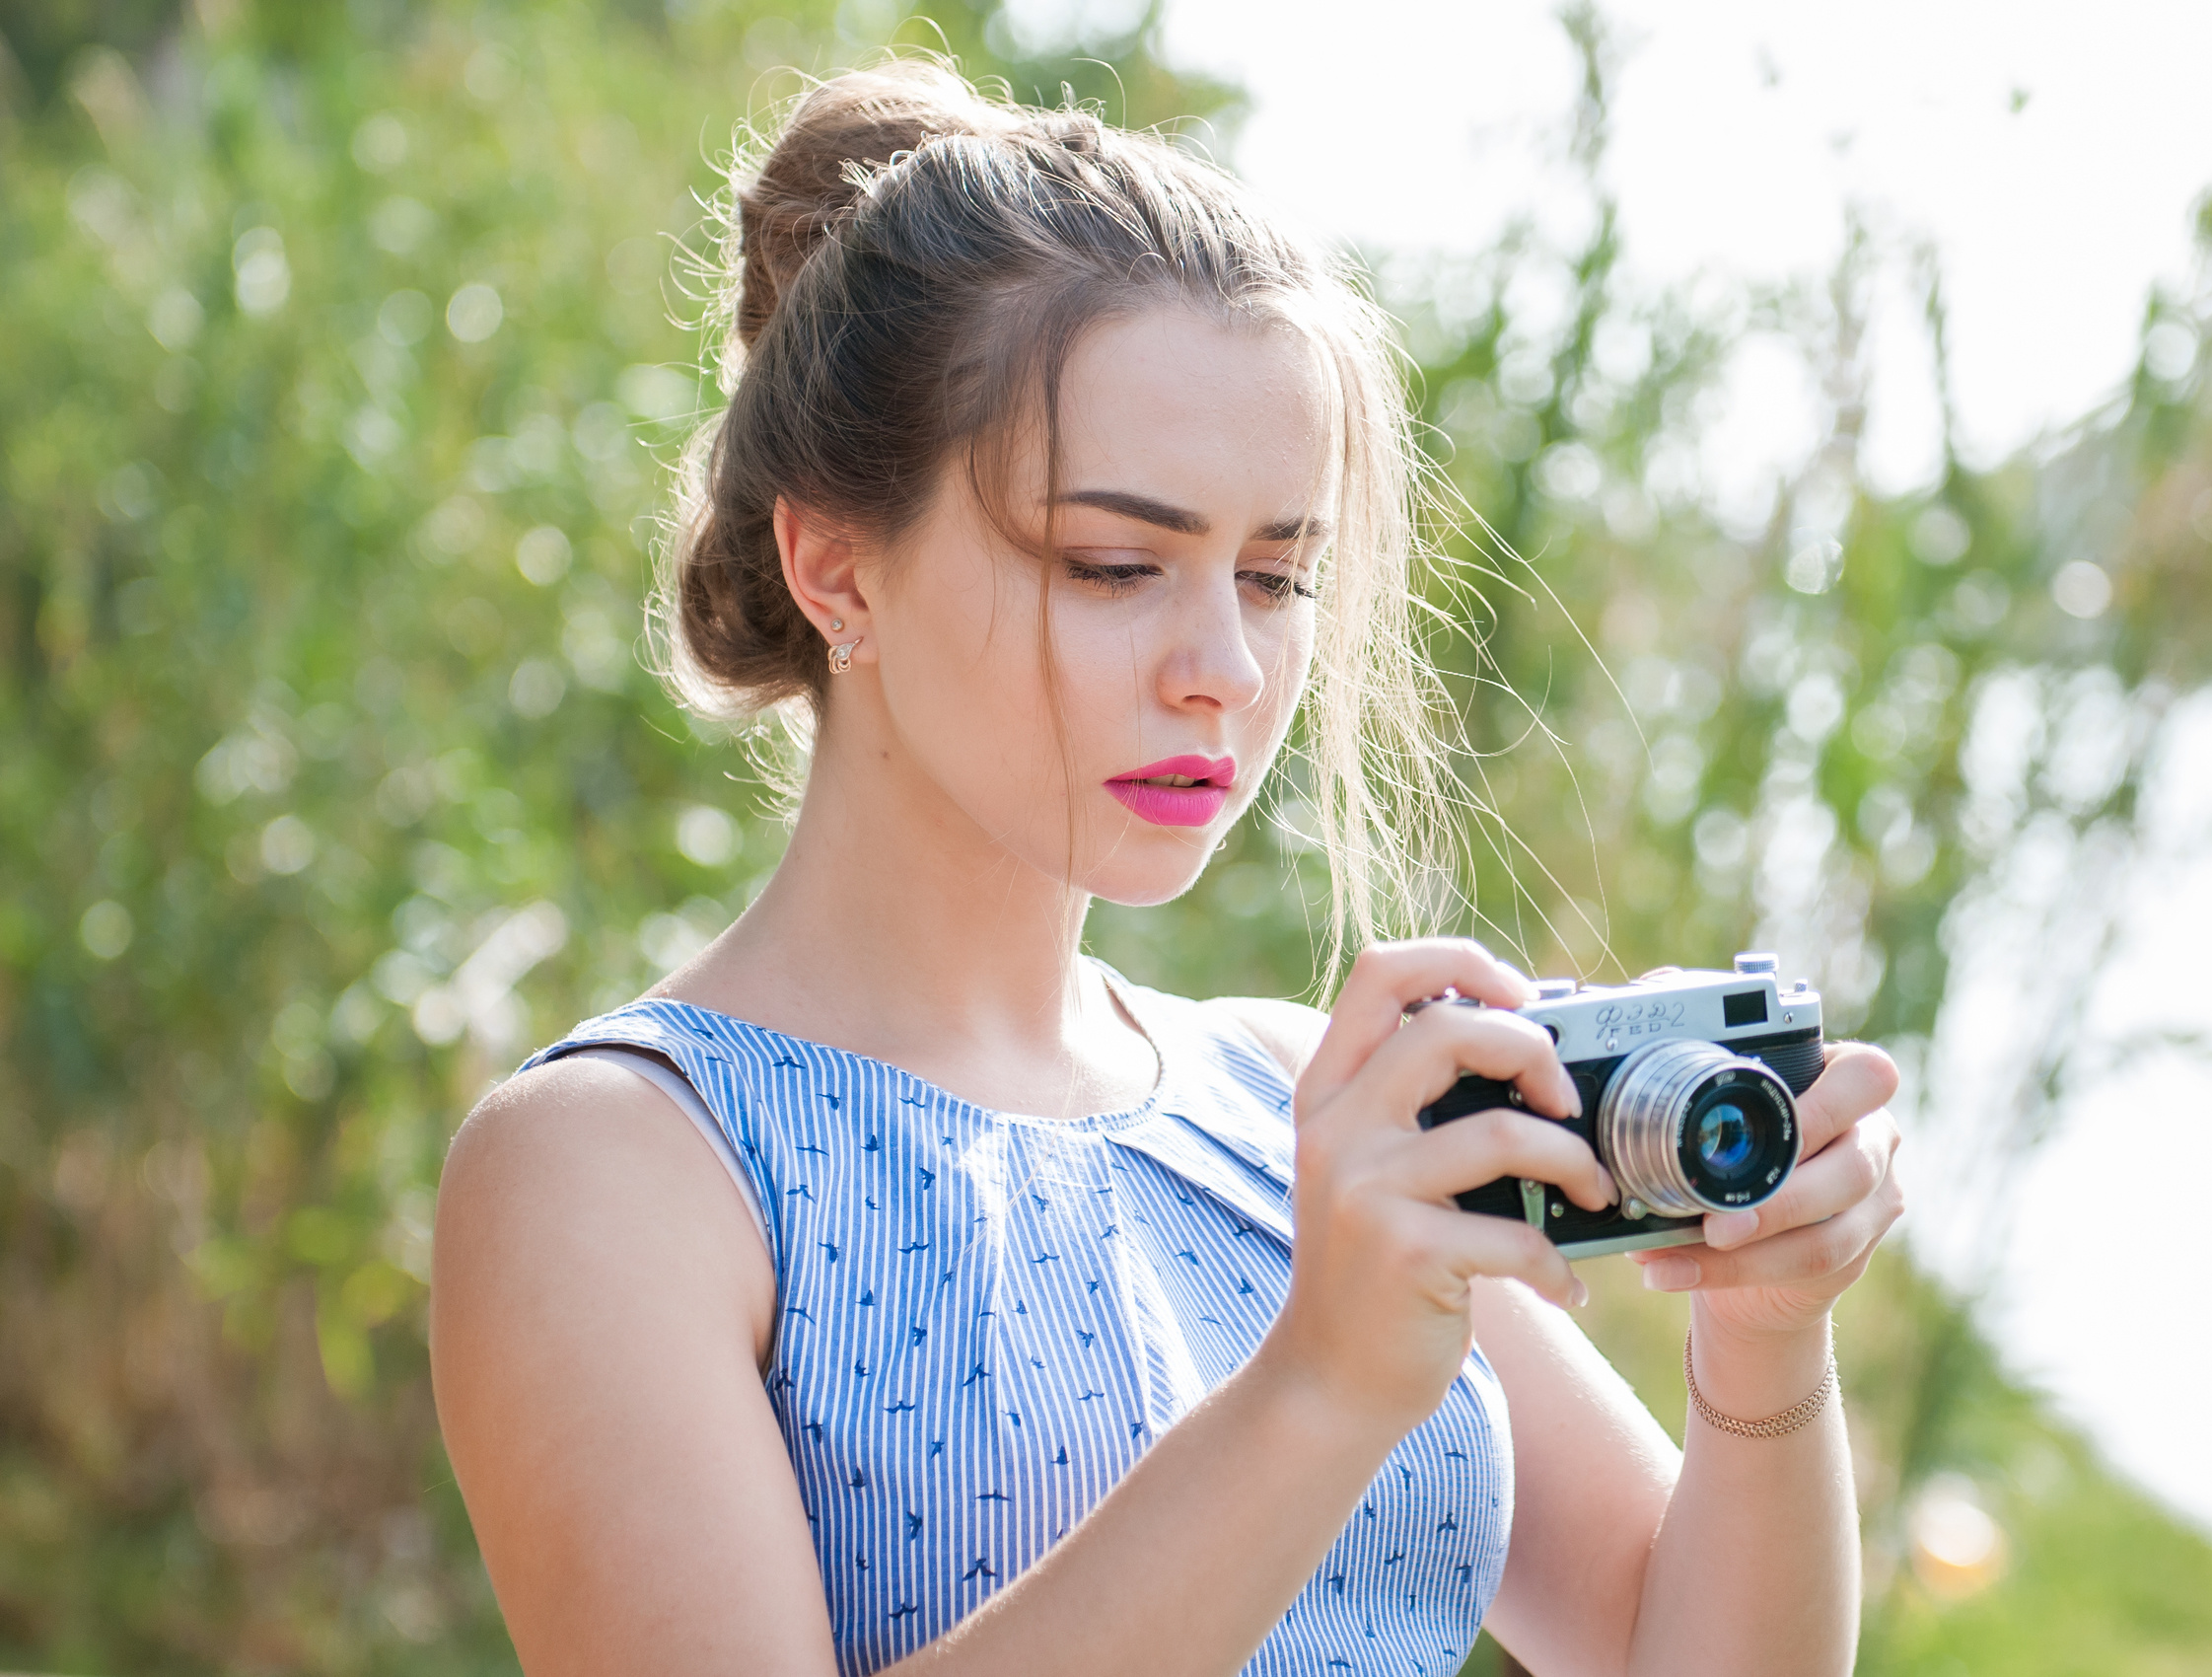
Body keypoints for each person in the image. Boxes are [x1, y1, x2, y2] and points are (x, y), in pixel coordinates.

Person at [430, 58, 1903, 1677]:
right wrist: (1319, 1392)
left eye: (1277, 578)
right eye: (1118, 565)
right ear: (836, 565)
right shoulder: (616, 1168)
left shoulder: (1298, 1098)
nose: (1225, 668)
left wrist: (1764, 1346)